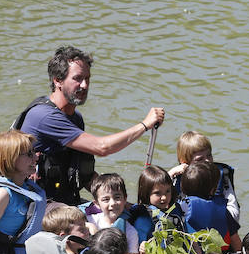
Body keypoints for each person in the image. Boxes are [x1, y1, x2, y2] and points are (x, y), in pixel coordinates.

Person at [14, 45, 165, 205]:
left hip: (65, 200)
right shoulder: (44, 117)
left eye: (87, 78)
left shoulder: (75, 117)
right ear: (58, 81)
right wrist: (144, 125)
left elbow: (84, 174)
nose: (85, 85)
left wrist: (116, 201)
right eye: (77, 78)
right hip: (36, 205)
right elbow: (102, 148)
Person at [168, 130, 240, 222]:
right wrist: (169, 174)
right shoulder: (176, 179)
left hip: (218, 226)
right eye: (200, 159)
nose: (207, 161)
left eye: (209, 155)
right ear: (185, 162)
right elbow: (162, 204)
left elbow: (235, 213)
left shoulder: (222, 176)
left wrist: (212, 215)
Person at [86, 173, 142, 254]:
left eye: (117, 197)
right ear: (97, 203)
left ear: (125, 199)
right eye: (106, 199)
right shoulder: (91, 221)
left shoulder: (130, 231)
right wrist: (89, 227)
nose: (112, 203)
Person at [180, 162, 242, 252]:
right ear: (213, 190)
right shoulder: (221, 210)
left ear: (182, 187)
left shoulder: (179, 208)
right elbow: (234, 238)